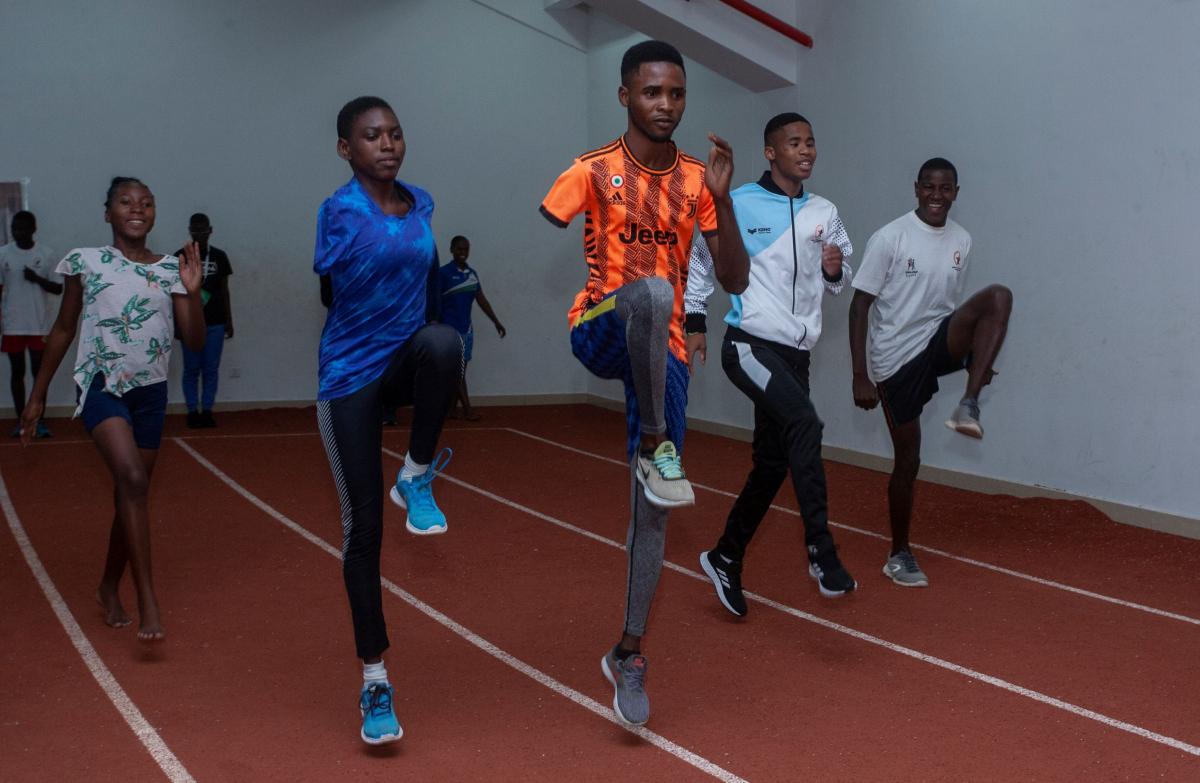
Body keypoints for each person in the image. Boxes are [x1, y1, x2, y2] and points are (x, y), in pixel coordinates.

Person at [539, 39, 723, 727]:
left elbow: (730, 276)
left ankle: (629, 650)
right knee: (645, 290)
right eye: (652, 92)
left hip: (664, 349)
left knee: (655, 511)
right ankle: (656, 445)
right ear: (625, 96)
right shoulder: (591, 170)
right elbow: (555, 213)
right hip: (600, 323)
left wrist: (724, 203)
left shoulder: (700, 180)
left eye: (676, 93)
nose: (666, 105)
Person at [314, 96, 461, 745]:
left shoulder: (423, 202)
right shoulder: (338, 211)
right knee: (363, 530)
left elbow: (427, 281)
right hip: (350, 375)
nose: (388, 144)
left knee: (444, 342)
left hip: (404, 357)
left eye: (395, 133)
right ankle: (375, 677)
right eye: (372, 136)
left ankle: (418, 474)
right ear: (347, 148)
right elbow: (331, 285)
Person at [686, 113, 859, 618]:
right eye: (794, 143)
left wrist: (834, 270)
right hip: (749, 345)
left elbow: (840, 274)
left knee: (772, 463)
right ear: (770, 152)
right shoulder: (737, 202)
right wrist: (696, 320)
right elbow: (700, 260)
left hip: (796, 354)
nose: (805, 150)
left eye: (810, 142)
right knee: (805, 422)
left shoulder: (825, 211)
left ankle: (725, 556)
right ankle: (821, 552)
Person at [20, 177, 205, 642]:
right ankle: (147, 599)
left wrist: (193, 291)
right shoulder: (86, 262)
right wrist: (38, 394)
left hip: (152, 393)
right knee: (135, 481)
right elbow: (63, 330)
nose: (136, 209)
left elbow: (195, 341)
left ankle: (107, 586)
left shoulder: (170, 270)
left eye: (146, 203)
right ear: (108, 213)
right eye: (125, 202)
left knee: (130, 492)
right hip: (102, 385)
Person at [848, 158, 1013, 587]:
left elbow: (949, 310)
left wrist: (977, 363)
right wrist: (860, 375)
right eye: (929, 187)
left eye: (946, 188)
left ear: (956, 191)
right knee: (909, 458)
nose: (937, 196)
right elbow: (860, 305)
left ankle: (969, 403)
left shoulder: (962, 239)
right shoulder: (890, 237)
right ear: (916, 188)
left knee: (998, 296)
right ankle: (898, 553)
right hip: (895, 358)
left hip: (936, 338)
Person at [0, 211, 63, 437]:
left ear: (33, 229)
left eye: (23, 228)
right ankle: (20, 420)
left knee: (40, 375)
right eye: (15, 228)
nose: (18, 233)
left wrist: (36, 278)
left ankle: (38, 421)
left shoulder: (46, 254)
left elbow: (58, 288)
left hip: (39, 325)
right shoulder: (3, 254)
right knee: (17, 373)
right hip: (13, 325)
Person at [437, 235, 505, 420]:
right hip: (449, 330)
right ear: (451, 250)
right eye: (459, 249)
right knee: (457, 370)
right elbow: (434, 301)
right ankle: (467, 409)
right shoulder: (443, 274)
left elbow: (481, 299)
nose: (462, 253)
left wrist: (496, 321)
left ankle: (451, 409)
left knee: (459, 371)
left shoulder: (472, 274)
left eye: (465, 249)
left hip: (466, 329)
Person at [176, 213, 233, 428]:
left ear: (211, 230)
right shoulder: (180, 256)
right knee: (191, 368)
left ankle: (207, 410)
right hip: (189, 323)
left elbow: (225, 290)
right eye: (195, 230)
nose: (199, 234)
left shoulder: (219, 256)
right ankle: (192, 410)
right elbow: (175, 294)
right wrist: (177, 324)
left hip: (216, 321)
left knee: (211, 368)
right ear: (190, 231)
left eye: (203, 230)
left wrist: (229, 320)